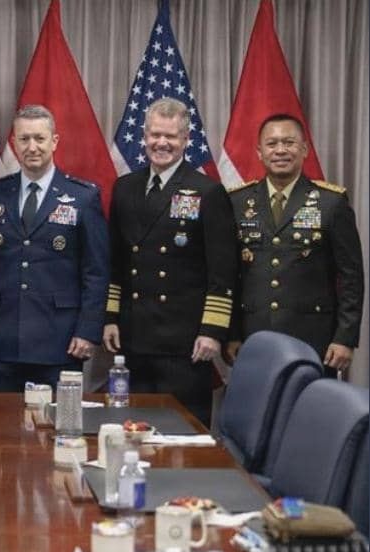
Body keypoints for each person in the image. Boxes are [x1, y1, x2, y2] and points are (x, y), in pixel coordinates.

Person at [103, 98, 238, 425]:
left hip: (185, 342)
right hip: (133, 337)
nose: (161, 143)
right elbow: (117, 261)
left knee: (182, 434)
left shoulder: (206, 192)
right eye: (155, 134)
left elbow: (223, 271)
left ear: (186, 140)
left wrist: (212, 331)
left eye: (171, 136)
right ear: (144, 136)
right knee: (133, 429)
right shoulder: (125, 188)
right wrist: (110, 317)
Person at [0, 104, 108, 390]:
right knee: (2, 418)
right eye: (24, 139)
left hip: (61, 340)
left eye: (39, 138)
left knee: (59, 418)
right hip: (4, 336)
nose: (32, 147)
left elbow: (96, 272)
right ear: (14, 143)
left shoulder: (82, 196)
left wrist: (87, 330)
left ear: (54, 141)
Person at [227, 113, 364, 376]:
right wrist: (231, 334)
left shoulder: (331, 203)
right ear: (259, 152)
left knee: (310, 402)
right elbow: (229, 275)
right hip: (253, 337)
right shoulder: (238, 202)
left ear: (304, 149)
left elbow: (351, 277)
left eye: (289, 143)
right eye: (272, 144)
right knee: (256, 402)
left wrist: (345, 337)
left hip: (313, 339)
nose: (280, 150)